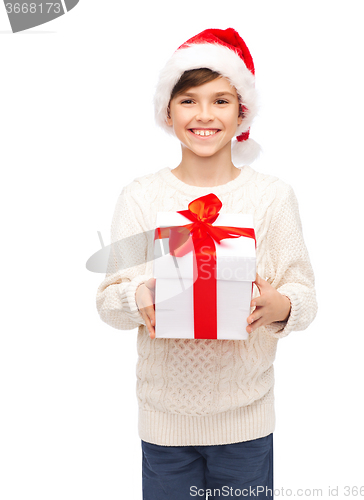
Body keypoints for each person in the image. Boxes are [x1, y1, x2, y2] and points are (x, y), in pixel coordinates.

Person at [96, 28, 318, 500]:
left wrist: (277, 305)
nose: (204, 115)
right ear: (168, 111)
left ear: (243, 112)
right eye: (189, 100)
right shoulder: (141, 197)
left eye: (221, 100)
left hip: (246, 423)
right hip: (165, 424)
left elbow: (304, 296)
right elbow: (108, 302)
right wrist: (140, 296)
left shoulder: (272, 197)